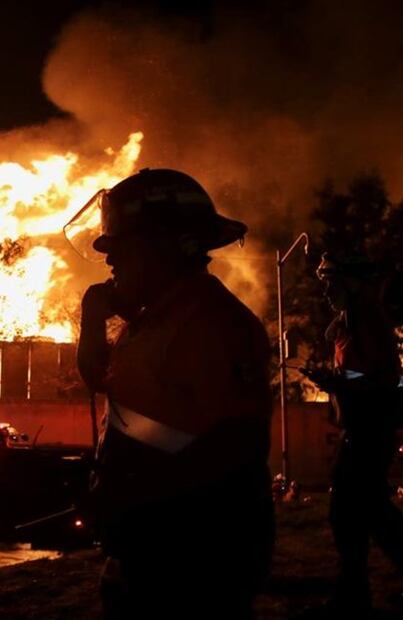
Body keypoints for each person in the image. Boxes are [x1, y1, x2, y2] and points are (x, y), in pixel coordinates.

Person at [68, 168, 274, 618]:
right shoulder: (155, 319)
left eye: (120, 248)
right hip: (147, 543)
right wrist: (92, 320)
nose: (110, 262)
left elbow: (236, 448)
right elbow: (103, 381)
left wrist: (135, 496)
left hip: (195, 555)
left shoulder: (212, 324)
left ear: (165, 247)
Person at [303, 253, 403, 615]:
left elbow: (381, 378)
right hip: (365, 427)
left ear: (351, 282)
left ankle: (358, 595)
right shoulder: (352, 320)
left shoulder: (366, 320)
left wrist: (332, 380)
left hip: (370, 429)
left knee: (350, 513)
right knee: (370, 513)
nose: (326, 290)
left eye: (331, 282)